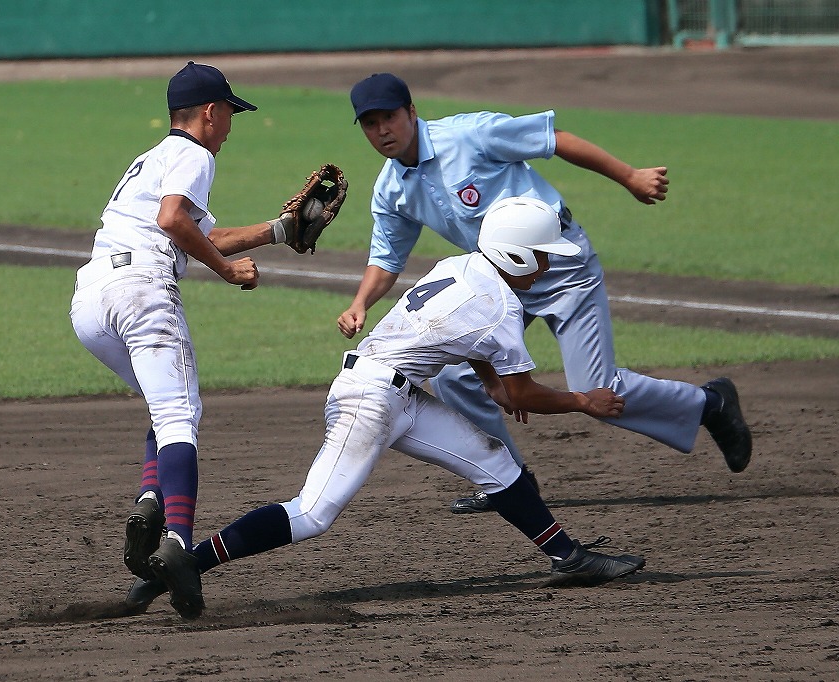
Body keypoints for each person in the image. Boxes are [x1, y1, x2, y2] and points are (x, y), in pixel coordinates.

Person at [126, 196, 647, 617]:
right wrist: (582, 400)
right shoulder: (503, 307)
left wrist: (494, 382)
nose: (549, 261)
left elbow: (468, 341)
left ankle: (568, 556)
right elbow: (523, 390)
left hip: (395, 392)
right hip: (370, 400)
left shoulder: (463, 265)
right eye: (543, 253)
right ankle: (185, 563)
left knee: (494, 459)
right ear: (517, 255)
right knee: (312, 513)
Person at [337, 72, 752, 513]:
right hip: (504, 283)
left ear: (412, 112)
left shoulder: (471, 135)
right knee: (455, 377)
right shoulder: (391, 190)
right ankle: (509, 481)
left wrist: (629, 176)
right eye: (370, 123)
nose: (382, 130)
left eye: (390, 117)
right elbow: (386, 258)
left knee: (597, 387)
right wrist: (360, 302)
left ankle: (710, 403)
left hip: (562, 266)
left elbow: (556, 138)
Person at [70, 61, 302, 620]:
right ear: (209, 112)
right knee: (180, 415)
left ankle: (151, 501)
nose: (230, 125)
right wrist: (224, 269)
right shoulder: (195, 154)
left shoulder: (152, 158)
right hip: (140, 291)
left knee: (167, 405)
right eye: (229, 113)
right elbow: (176, 221)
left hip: (91, 301)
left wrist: (277, 231)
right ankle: (176, 541)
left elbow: (196, 227)